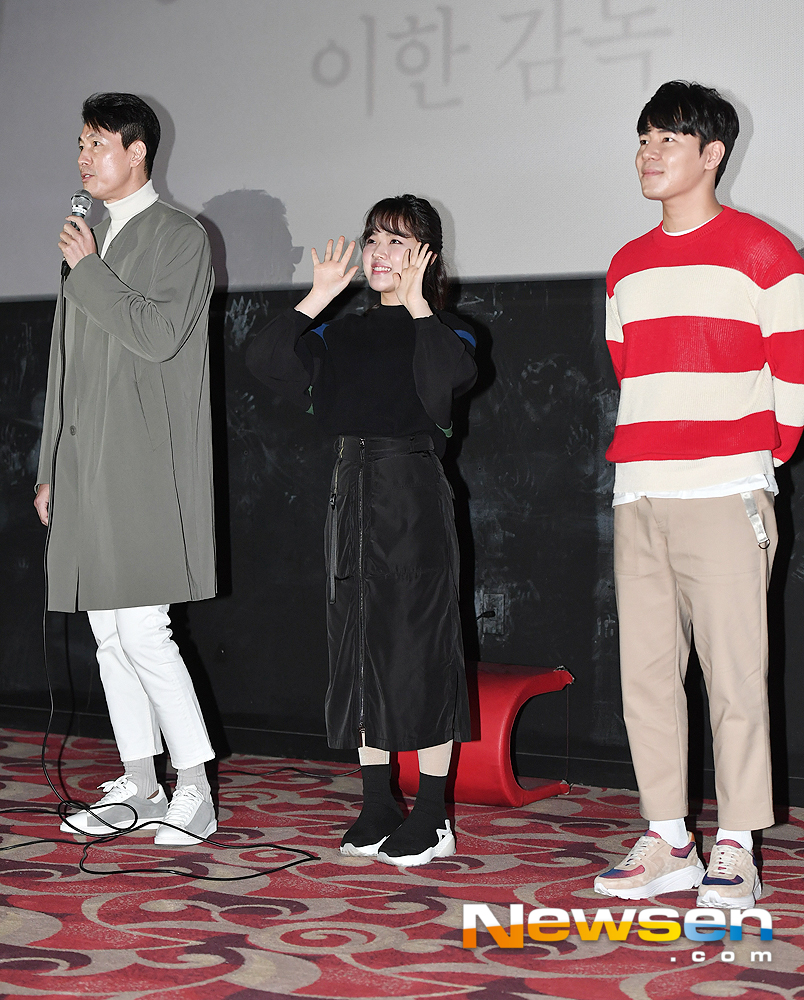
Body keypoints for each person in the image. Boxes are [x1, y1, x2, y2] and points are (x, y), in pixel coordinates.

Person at [594, 81, 804, 907]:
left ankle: (738, 845)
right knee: (645, 672)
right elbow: (628, 368)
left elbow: (794, 380)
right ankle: (669, 839)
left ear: (713, 153)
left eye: (667, 141)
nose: (648, 155)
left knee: (735, 675)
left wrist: (750, 459)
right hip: (638, 491)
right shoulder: (626, 264)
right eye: (643, 139)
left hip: (726, 489)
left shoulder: (765, 251)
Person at [246, 195, 476, 866]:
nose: (379, 251)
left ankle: (432, 815)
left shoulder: (450, 330)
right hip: (349, 493)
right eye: (375, 237)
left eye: (398, 242)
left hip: (410, 495)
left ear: (428, 256)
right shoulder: (339, 332)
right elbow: (264, 359)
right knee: (357, 646)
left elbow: (446, 379)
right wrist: (316, 297)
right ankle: (378, 802)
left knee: (421, 650)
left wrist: (420, 303)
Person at [35, 93, 218, 845]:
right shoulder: (92, 239)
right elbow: (65, 364)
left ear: (137, 152)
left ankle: (196, 787)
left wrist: (88, 271)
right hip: (88, 460)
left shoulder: (180, 235)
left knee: (144, 628)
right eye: (79, 143)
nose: (83, 158)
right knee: (109, 634)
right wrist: (50, 463)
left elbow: (160, 334)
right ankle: (140, 782)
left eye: (97, 144)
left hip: (146, 460)